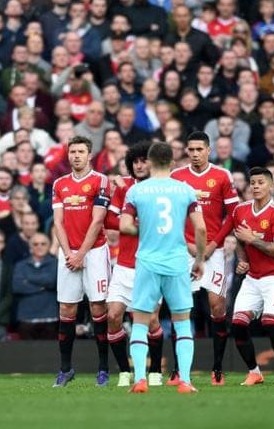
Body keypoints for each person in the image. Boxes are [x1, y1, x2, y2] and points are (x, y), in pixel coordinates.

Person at [119, 141, 206, 394]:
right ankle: (186, 381)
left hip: (147, 261)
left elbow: (124, 225)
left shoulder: (137, 191)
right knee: (181, 322)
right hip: (177, 261)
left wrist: (142, 229)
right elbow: (200, 228)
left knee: (140, 322)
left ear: (147, 161)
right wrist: (199, 259)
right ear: (171, 162)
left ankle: (139, 380)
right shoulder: (185, 190)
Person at [169, 131, 239, 386]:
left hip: (214, 251)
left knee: (217, 305)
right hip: (183, 251)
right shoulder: (177, 177)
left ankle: (217, 369)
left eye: (200, 149)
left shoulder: (222, 175)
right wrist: (187, 244)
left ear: (209, 150)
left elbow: (232, 214)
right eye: (192, 149)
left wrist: (213, 244)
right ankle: (177, 370)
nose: (195, 154)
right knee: (180, 307)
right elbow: (172, 215)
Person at [103, 140, 165, 387]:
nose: (140, 165)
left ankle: (156, 371)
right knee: (113, 316)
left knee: (151, 321)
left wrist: (131, 224)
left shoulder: (162, 190)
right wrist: (137, 224)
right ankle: (123, 371)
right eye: (136, 161)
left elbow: (162, 225)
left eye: (144, 160)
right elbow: (109, 220)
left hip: (151, 265)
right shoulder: (124, 188)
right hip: (125, 265)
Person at [51, 135, 110, 387]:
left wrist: (81, 254)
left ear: (90, 155)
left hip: (94, 252)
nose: (76, 155)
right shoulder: (59, 184)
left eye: (81, 152)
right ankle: (65, 370)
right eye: (72, 151)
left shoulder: (100, 181)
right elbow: (58, 222)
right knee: (67, 310)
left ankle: (103, 369)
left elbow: (98, 221)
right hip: (68, 253)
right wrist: (69, 254)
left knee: (98, 308)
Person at [230, 167, 274, 386]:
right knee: (238, 323)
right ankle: (254, 372)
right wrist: (242, 260)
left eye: (261, 182)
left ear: (271, 185)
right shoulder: (240, 210)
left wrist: (253, 240)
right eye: (253, 183)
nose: (256, 186)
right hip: (253, 277)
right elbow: (239, 239)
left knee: (270, 322)